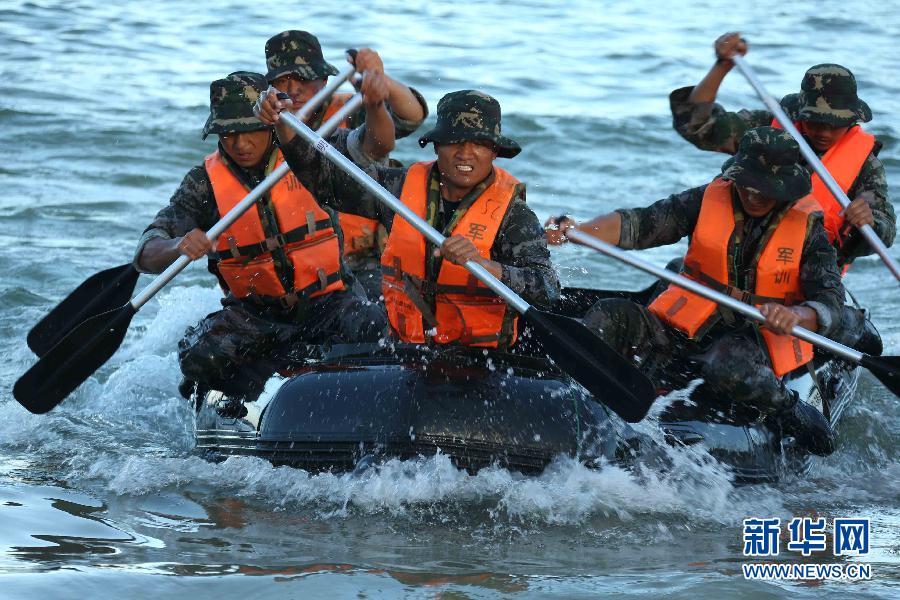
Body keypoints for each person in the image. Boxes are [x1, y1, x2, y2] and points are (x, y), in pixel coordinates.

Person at [547, 127, 844, 455]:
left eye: (765, 187)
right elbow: (643, 223)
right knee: (612, 315)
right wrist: (581, 231)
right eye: (747, 183)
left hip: (751, 337)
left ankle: (790, 409)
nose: (753, 194)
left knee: (728, 367)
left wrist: (797, 315)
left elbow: (830, 300)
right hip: (687, 325)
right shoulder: (707, 198)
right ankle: (576, 404)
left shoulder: (809, 230)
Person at [133, 71, 391, 399]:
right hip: (256, 314)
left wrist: (376, 105)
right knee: (200, 360)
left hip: (329, 300)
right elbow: (146, 251)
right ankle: (260, 398)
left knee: (379, 330)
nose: (240, 144)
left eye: (249, 130)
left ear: (269, 121)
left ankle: (325, 380)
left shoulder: (310, 152)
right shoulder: (202, 184)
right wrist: (176, 246)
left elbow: (376, 145)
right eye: (227, 134)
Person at [257, 88, 560, 349]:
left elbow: (547, 288)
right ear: (437, 145)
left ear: (494, 151)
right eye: (454, 141)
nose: (465, 154)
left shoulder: (513, 215)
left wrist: (487, 266)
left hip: (481, 358)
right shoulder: (400, 190)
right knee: (338, 319)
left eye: (479, 144)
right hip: (408, 346)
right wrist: (284, 125)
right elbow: (327, 184)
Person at [670, 32, 894, 347]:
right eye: (815, 122)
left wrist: (868, 220)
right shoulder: (769, 127)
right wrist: (721, 67)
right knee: (676, 271)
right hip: (734, 264)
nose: (824, 132)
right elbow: (698, 127)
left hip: (802, 284)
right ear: (801, 113)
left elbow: (882, 234)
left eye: (834, 124)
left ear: (852, 119)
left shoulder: (864, 167)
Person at [264, 30, 429, 299]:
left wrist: (380, 83)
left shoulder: (352, 110)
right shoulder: (262, 129)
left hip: (364, 262)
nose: (294, 89)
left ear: (324, 78)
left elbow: (411, 116)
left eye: (303, 78)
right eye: (283, 80)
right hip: (302, 270)